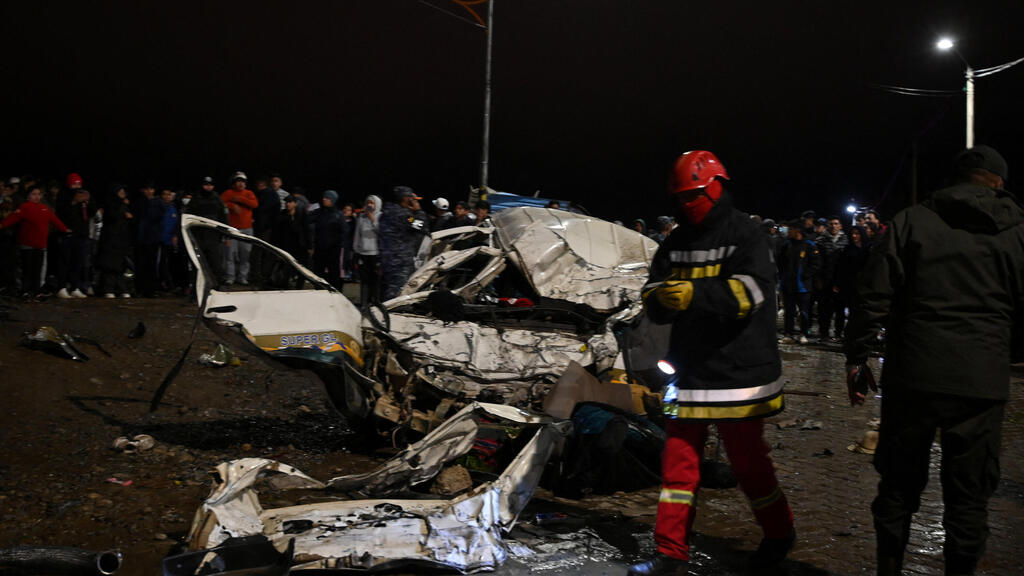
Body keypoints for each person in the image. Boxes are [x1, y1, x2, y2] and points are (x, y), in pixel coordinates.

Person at [844, 145, 1023, 576]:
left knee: (898, 487)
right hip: (981, 382)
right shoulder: (1016, 231)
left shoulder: (911, 221)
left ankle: (889, 568)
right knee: (969, 495)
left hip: (914, 375)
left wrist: (857, 356)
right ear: (998, 182)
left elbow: (873, 295)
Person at [628, 151, 794, 576]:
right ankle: (670, 553)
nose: (687, 205)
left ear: (717, 186)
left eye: (694, 195)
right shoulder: (675, 241)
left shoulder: (748, 234)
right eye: (681, 198)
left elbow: (753, 292)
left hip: (739, 372)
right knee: (678, 466)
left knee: (749, 464)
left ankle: (779, 533)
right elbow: (653, 289)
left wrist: (695, 296)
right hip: (691, 369)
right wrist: (659, 300)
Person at [0, 185, 70, 299]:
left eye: (39, 194)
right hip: (27, 244)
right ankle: (25, 291)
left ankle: (36, 291)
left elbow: (55, 220)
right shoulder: (24, 207)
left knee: (37, 269)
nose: (37, 197)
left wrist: (65, 229)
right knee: (27, 269)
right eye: (34, 194)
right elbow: (12, 218)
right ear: (28, 196)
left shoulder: (45, 208)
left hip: (40, 244)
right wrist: (2, 224)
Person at [379, 186, 428, 301]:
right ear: (405, 198)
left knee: (387, 289)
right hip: (400, 260)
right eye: (411, 198)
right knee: (397, 294)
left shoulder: (386, 212)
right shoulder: (403, 215)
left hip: (387, 258)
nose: (413, 200)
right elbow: (421, 226)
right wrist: (418, 211)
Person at [778, 219, 820, 344]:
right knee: (789, 312)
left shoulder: (809, 245)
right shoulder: (786, 245)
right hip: (788, 285)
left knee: (804, 312)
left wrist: (806, 274)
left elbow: (816, 264)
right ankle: (788, 334)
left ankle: (803, 333)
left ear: (797, 230)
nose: (788, 232)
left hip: (803, 286)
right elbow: (780, 262)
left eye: (790, 229)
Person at [96, 184, 135, 298]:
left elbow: (131, 219)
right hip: (110, 238)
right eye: (120, 192)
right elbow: (112, 216)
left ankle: (121, 289)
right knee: (109, 265)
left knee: (121, 265)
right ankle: (108, 288)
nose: (122, 194)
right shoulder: (111, 204)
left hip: (122, 239)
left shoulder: (125, 204)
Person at [221, 171, 258, 285]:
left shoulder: (249, 193)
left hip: (247, 229)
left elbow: (255, 204)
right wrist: (232, 205)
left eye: (242, 181)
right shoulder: (228, 193)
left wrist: (239, 199)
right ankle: (230, 277)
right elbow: (220, 203)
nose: (240, 184)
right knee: (230, 255)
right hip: (231, 229)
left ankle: (242, 277)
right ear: (234, 183)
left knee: (245, 255)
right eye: (238, 181)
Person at [817, 215, 849, 341]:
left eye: (836, 223)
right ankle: (824, 333)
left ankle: (838, 333)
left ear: (840, 225)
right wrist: (818, 279)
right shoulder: (820, 241)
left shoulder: (846, 240)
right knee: (824, 309)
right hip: (825, 280)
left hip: (840, 280)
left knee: (840, 309)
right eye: (831, 223)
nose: (834, 226)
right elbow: (818, 262)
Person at [310, 189, 345, 289]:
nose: (324, 199)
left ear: (333, 200)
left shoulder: (339, 215)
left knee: (334, 275)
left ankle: (337, 295)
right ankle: (319, 294)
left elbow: (344, 234)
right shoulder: (319, 213)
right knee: (318, 274)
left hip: (333, 251)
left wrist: (337, 246)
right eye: (324, 197)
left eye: (327, 198)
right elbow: (306, 221)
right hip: (320, 250)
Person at [353, 194, 382, 305]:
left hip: (376, 254)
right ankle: (364, 303)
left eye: (372, 203)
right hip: (363, 254)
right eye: (368, 202)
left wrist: (372, 218)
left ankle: (375, 303)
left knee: (375, 280)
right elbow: (357, 235)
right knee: (364, 280)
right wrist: (356, 250)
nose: (369, 205)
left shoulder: (380, 216)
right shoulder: (361, 218)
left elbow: (381, 233)